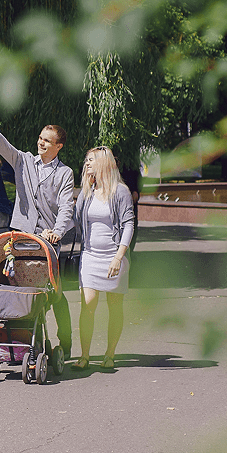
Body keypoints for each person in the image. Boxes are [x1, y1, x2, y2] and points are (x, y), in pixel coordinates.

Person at [0, 105, 74, 357]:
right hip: (19, 240)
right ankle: (16, 342)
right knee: (16, 291)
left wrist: (57, 231)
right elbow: (2, 145)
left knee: (55, 296)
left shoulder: (65, 173)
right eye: (40, 138)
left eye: (47, 141)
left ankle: (66, 341)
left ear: (58, 146)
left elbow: (66, 208)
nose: (41, 143)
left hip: (47, 242)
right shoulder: (23, 160)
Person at [74, 146, 136, 370]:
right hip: (90, 256)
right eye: (86, 160)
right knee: (87, 305)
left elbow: (129, 224)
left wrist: (119, 257)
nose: (87, 164)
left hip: (113, 256)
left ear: (104, 163)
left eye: (91, 160)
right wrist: (84, 189)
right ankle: (84, 355)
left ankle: (110, 354)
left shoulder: (120, 191)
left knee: (114, 305)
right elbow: (76, 217)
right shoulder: (89, 191)